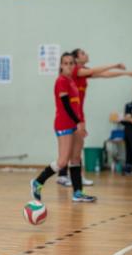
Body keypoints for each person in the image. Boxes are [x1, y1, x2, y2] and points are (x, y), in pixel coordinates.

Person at [57, 49, 132, 187]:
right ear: (76, 59)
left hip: (79, 113)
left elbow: (103, 74)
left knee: (78, 146)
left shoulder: (83, 72)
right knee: (68, 147)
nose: (87, 54)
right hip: (70, 115)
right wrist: (115, 64)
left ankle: (76, 176)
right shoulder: (76, 70)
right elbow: (97, 69)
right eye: (83, 53)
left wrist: (125, 73)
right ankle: (62, 175)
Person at [30, 52, 97, 203]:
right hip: (64, 124)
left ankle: (78, 192)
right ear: (61, 65)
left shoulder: (72, 80)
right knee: (62, 161)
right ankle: (38, 182)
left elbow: (76, 105)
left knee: (75, 159)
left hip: (75, 124)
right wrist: (78, 122)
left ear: (75, 65)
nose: (68, 66)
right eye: (65, 63)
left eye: (71, 63)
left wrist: (80, 123)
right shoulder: (61, 81)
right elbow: (66, 105)